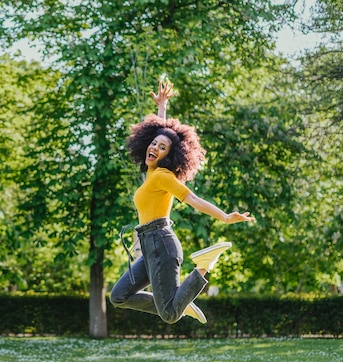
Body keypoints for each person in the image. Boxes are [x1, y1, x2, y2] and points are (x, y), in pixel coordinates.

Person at [109, 81, 255, 324]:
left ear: (170, 156)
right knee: (119, 296)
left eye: (162, 147)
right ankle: (182, 301)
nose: (154, 147)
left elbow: (194, 199)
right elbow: (162, 132)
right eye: (153, 143)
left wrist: (225, 217)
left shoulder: (164, 177)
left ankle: (203, 267)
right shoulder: (151, 175)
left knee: (169, 315)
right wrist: (162, 108)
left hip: (161, 244)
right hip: (149, 246)